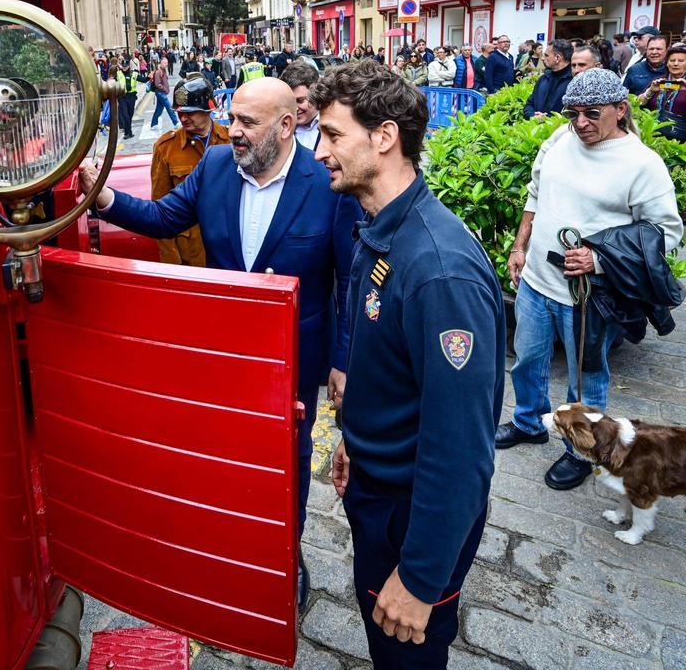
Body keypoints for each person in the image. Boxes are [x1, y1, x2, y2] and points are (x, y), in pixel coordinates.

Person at [78, 76, 359, 611]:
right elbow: (163, 218)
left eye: (248, 123)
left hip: (295, 361)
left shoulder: (326, 183)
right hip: (225, 355)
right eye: (232, 118)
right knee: (227, 454)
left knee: (291, 461)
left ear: (284, 125)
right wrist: (103, 195)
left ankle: (284, 556)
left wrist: (342, 361)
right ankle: (232, 548)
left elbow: (348, 280)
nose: (235, 131)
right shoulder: (213, 168)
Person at [315, 61, 504, 668]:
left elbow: (462, 449)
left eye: (332, 134)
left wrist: (420, 579)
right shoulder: (381, 229)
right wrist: (357, 441)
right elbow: (388, 369)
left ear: (384, 136)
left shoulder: (439, 270)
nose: (319, 151)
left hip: (413, 514)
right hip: (379, 493)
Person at [497, 69, 683, 489]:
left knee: (588, 376)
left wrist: (598, 259)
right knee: (526, 358)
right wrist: (519, 246)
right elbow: (535, 192)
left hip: (587, 296)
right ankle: (528, 422)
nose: (581, 122)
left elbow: (667, 232)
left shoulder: (642, 165)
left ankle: (581, 451)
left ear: (620, 110)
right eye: (573, 112)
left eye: (592, 113)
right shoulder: (562, 138)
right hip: (537, 281)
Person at [149, 75, 232, 266]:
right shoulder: (166, 148)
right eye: (179, 112)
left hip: (227, 251)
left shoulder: (230, 141)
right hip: (190, 256)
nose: (183, 118)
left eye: (190, 112)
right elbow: (159, 211)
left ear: (208, 110)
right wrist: (172, 265)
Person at [638, 42, 686, 142]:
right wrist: (650, 91)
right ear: (667, 63)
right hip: (653, 136)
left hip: (680, 142)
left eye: (681, 61)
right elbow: (638, 104)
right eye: (672, 60)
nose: (676, 63)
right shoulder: (658, 81)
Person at [522, 40, 574, 119]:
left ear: (557, 58)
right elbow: (529, 104)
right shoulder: (543, 78)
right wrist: (532, 115)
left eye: (546, 55)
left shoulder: (573, 81)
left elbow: (571, 114)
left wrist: (545, 119)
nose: (542, 58)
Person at [283, 60, 321, 150]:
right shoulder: (280, 127)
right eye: (290, 101)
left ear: (316, 94)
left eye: (300, 100)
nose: (295, 108)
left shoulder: (335, 123)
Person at [149, 57, 180, 130]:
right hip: (160, 93)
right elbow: (157, 84)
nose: (166, 64)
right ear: (161, 63)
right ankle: (175, 122)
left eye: (167, 63)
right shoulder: (158, 72)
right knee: (169, 107)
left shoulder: (164, 70)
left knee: (159, 110)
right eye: (164, 63)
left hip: (162, 93)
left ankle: (154, 124)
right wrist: (165, 89)